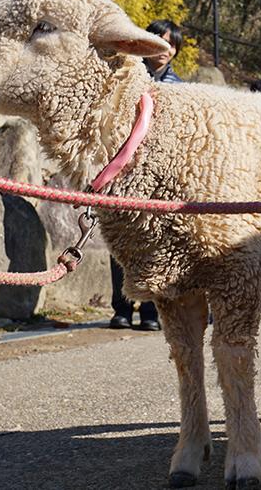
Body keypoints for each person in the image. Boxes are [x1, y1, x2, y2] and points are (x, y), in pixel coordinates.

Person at [108, 19, 185, 331]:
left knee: (153, 241)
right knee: (121, 239)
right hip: (123, 168)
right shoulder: (125, 76)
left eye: (171, 43)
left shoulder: (179, 87)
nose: (165, 48)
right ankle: (121, 308)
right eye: (159, 40)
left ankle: (152, 311)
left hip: (159, 176)